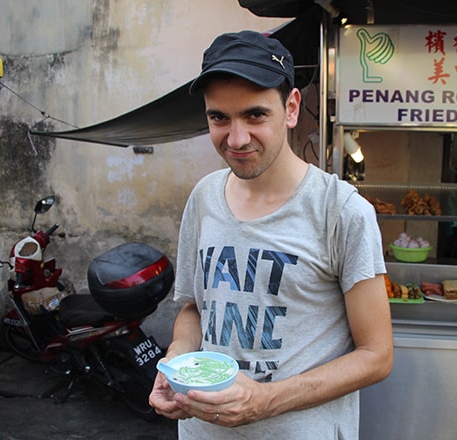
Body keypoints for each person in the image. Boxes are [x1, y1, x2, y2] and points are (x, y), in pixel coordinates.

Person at [148, 30, 393, 439]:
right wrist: (175, 363)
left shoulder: (342, 211)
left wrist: (266, 401)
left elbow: (376, 355)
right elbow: (195, 308)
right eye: (219, 118)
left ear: (291, 108)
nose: (236, 138)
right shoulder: (204, 197)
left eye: (255, 115)